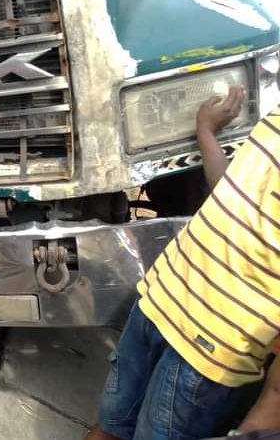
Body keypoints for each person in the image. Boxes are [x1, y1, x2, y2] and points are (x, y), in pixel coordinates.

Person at [87, 85, 280, 440]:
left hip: (211, 344)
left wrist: (266, 410)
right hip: (161, 300)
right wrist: (206, 132)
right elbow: (230, 192)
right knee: (111, 424)